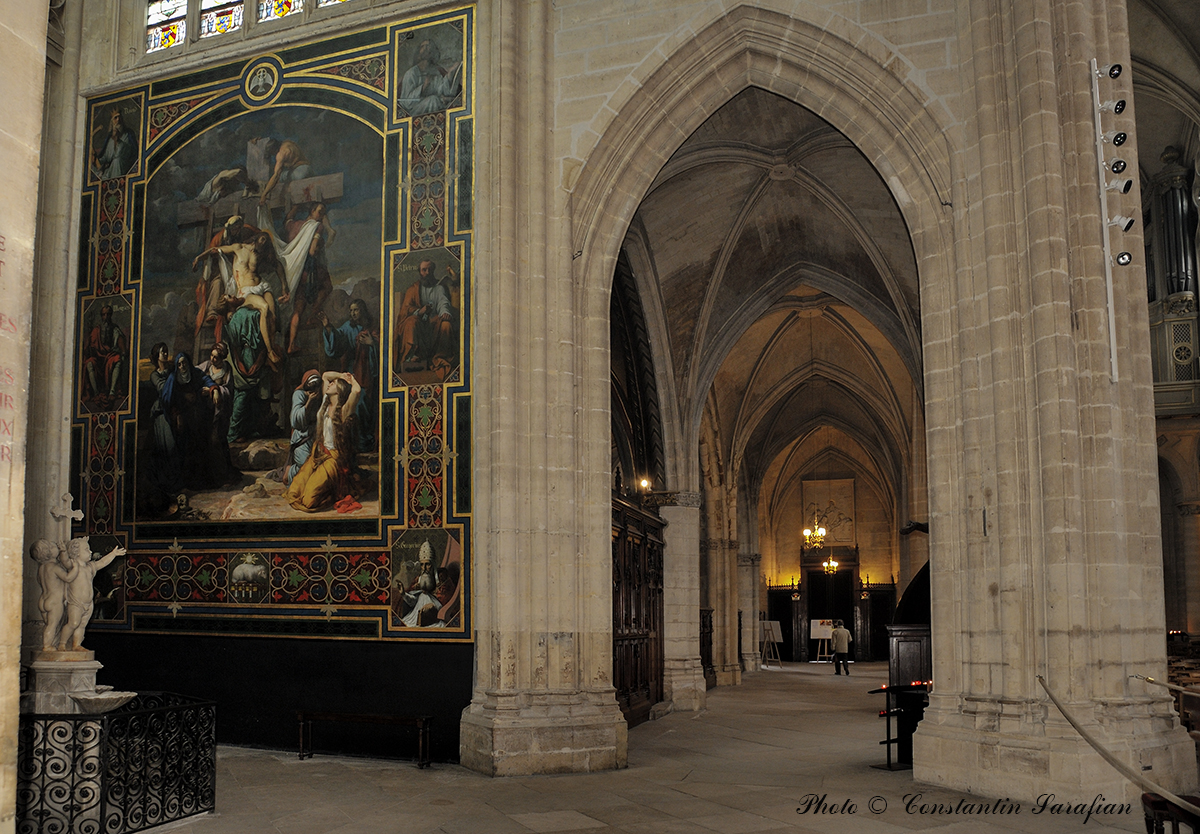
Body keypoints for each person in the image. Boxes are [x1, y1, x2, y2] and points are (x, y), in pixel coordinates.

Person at [193, 231, 287, 367]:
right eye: (263, 238)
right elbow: (215, 250)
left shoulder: (262, 254)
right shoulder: (238, 248)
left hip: (263, 285)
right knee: (264, 308)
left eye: (266, 241)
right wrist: (198, 258)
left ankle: (270, 350)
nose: (264, 242)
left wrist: (284, 286)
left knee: (272, 317)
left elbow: (277, 265)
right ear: (256, 237)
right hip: (247, 291)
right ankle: (270, 351)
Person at [284, 371, 361, 512]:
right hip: (317, 453)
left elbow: (356, 390)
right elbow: (325, 375)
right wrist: (340, 376)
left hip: (333, 459)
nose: (330, 383)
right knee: (293, 492)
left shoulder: (344, 410)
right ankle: (324, 488)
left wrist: (351, 379)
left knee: (308, 501)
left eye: (334, 383)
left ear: (339, 391)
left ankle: (330, 494)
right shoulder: (325, 403)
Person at [193, 214, 260, 347]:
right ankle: (212, 312)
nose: (237, 230)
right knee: (217, 282)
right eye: (234, 228)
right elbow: (213, 251)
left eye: (238, 228)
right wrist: (199, 258)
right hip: (222, 271)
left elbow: (260, 235)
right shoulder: (222, 240)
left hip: (238, 272)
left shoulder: (245, 235)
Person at [321, 299, 378, 450]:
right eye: (351, 310)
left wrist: (372, 344)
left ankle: (365, 441)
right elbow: (338, 339)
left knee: (365, 405)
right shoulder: (348, 327)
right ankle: (354, 442)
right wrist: (328, 328)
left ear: (362, 310)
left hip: (368, 372)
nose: (353, 313)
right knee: (353, 406)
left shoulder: (372, 327)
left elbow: (385, 350)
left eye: (356, 310)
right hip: (353, 371)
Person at [58, 536, 126, 652]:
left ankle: (76, 645)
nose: (90, 552)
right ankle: (62, 644)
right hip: (76, 602)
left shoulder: (90, 567)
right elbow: (64, 561)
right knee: (73, 623)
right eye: (86, 549)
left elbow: (102, 562)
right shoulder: (74, 566)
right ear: (76, 553)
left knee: (82, 624)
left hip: (88, 603)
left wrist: (113, 554)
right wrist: (63, 551)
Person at [284, 202, 334, 353]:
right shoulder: (316, 226)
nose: (321, 216)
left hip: (295, 273)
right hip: (308, 270)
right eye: (320, 212)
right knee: (327, 286)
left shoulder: (295, 224)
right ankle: (312, 315)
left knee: (298, 307)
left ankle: (291, 344)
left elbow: (288, 219)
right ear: (312, 211)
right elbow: (312, 251)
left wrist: (295, 207)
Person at [395, 259, 456, 375]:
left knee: (446, 325)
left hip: (434, 324)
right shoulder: (412, 289)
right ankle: (412, 355)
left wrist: (445, 312)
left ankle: (441, 357)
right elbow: (405, 310)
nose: (427, 272)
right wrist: (420, 311)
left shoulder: (439, 288)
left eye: (429, 269)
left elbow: (443, 302)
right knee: (411, 322)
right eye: (424, 270)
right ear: (420, 272)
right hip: (419, 325)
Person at [277, 369, 322, 485]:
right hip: (302, 439)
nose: (314, 390)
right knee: (307, 466)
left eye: (317, 386)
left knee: (322, 467)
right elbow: (295, 421)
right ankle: (290, 472)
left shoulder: (322, 396)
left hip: (317, 438)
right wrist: (309, 402)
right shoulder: (299, 394)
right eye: (311, 386)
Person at [31, 539, 76, 651]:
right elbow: (67, 578)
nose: (56, 545)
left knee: (49, 625)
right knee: (52, 625)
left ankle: (52, 643)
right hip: (54, 601)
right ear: (49, 552)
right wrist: (75, 568)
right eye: (53, 546)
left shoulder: (41, 568)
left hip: (43, 600)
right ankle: (47, 646)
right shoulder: (54, 567)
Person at [398, 39, 463, 115]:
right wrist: (423, 88)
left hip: (434, 105)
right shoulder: (411, 73)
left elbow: (441, 91)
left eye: (429, 46)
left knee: (436, 101)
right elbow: (406, 102)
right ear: (419, 52)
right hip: (415, 111)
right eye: (423, 46)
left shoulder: (435, 71)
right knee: (433, 100)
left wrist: (449, 75)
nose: (426, 48)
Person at [82, 303, 127, 403]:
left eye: (108, 314)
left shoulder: (115, 329)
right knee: (89, 363)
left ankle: (112, 392)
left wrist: (122, 353)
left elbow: (122, 347)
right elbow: (89, 348)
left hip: (109, 356)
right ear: (101, 316)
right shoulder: (96, 330)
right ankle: (96, 393)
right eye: (103, 315)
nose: (106, 317)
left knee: (118, 360)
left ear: (111, 315)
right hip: (98, 358)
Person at [258, 138, 312, 206]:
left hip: (300, 174)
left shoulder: (281, 154)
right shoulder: (288, 143)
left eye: (271, 153)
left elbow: (276, 175)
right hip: (307, 169)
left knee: (280, 176)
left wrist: (264, 194)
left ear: (273, 149)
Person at [91, 106, 136, 180]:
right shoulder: (110, 139)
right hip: (112, 169)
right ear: (112, 122)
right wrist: (96, 159)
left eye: (119, 117)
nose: (118, 120)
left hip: (125, 165)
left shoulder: (128, 134)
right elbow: (106, 157)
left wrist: (118, 140)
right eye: (115, 118)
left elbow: (130, 152)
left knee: (117, 160)